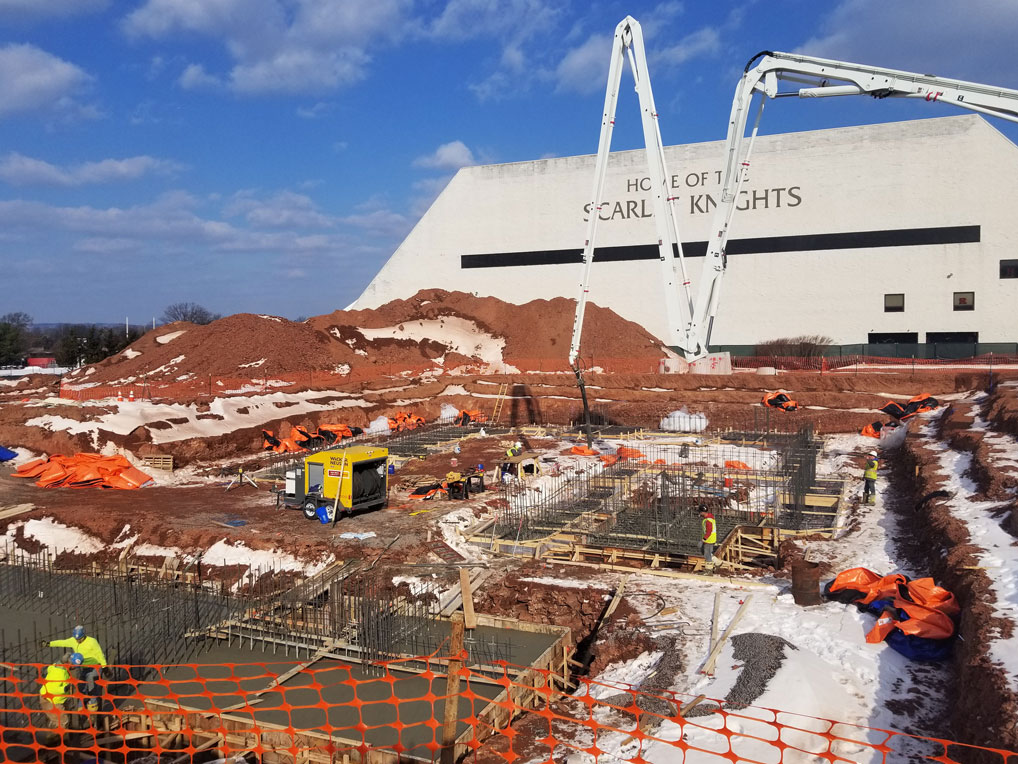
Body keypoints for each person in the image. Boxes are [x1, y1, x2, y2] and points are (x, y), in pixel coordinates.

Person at [45, 625, 106, 710]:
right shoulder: (73, 641)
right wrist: (49, 644)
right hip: (84, 667)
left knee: (91, 683)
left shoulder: (92, 641)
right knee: (81, 685)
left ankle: (93, 703)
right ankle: (82, 704)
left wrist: (104, 666)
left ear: (84, 635)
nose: (78, 641)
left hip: (94, 666)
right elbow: (62, 642)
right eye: (76, 639)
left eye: (80, 639)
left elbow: (100, 654)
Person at [38, 655, 73, 727]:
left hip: (56, 700)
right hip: (50, 700)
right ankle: (57, 736)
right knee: (63, 721)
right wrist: (64, 689)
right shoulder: (60, 673)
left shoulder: (59, 667)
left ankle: (55, 731)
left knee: (60, 719)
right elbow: (51, 690)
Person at [699, 505, 717, 573]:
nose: (700, 514)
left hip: (708, 540)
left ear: (703, 512)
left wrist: (703, 539)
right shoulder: (710, 518)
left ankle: (708, 571)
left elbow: (709, 531)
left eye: (700, 512)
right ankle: (717, 563)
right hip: (711, 539)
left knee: (707, 555)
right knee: (708, 554)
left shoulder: (708, 520)